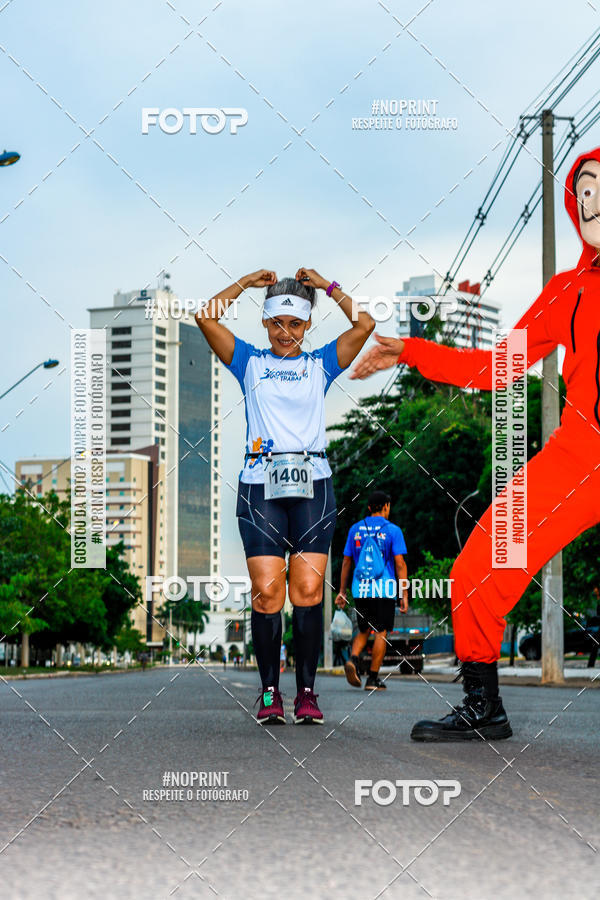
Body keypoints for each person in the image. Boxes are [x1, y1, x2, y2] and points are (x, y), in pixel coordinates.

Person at [351, 147, 600, 741]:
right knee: (478, 564)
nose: (590, 199)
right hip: (580, 456)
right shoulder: (568, 292)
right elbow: (498, 365)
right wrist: (409, 350)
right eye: (582, 190)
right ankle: (483, 704)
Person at [196, 267, 374, 724]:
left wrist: (328, 286)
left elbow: (366, 326)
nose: (285, 333)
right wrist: (245, 283)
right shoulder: (249, 362)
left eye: (295, 324)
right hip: (261, 484)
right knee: (267, 592)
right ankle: (270, 692)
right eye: (277, 323)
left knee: (309, 590)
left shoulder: (321, 364)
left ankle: (308, 694)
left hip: (313, 483)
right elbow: (205, 317)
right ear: (265, 322)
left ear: (307, 325)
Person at [335, 490, 408, 690]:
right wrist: (404, 593)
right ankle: (373, 678)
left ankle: (354, 659)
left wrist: (342, 591)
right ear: (386, 506)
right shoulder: (393, 531)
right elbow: (400, 564)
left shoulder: (355, 529)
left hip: (361, 590)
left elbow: (346, 562)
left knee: (364, 629)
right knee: (380, 632)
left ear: (369, 508)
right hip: (383, 589)